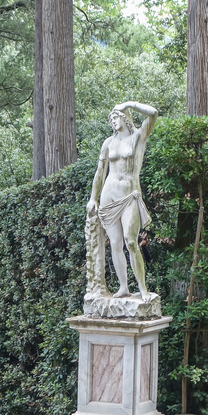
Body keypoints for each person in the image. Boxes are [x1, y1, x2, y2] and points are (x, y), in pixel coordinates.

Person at [87, 101, 159, 300]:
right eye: (111, 118)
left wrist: (129, 103)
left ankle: (143, 288)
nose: (113, 120)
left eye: (116, 116)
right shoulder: (108, 143)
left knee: (131, 241)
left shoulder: (138, 137)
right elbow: (100, 172)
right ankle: (123, 287)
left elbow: (153, 114)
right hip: (109, 194)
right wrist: (94, 197)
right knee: (116, 243)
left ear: (126, 118)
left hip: (129, 195)